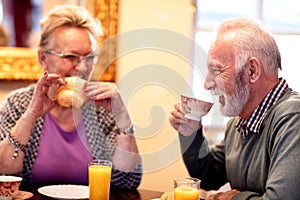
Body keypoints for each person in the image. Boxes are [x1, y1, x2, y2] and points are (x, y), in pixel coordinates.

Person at [0, 4, 142, 189]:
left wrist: (123, 117)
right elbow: (4, 172)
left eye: (90, 57)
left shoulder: (102, 109)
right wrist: (30, 116)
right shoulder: (18, 104)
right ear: (43, 58)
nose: (82, 68)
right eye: (70, 56)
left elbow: (127, 182)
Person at [169, 18, 300, 199]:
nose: (207, 84)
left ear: (252, 71)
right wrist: (191, 133)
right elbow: (209, 177)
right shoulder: (239, 124)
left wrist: (231, 198)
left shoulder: (293, 118)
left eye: (216, 70)